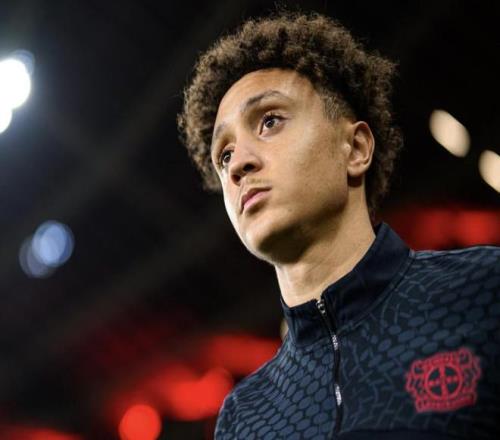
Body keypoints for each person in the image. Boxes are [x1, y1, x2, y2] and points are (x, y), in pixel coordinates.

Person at [177, 11, 500, 440]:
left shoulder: (484, 292)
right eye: (224, 155)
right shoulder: (242, 418)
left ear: (356, 148)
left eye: (270, 121)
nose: (238, 165)